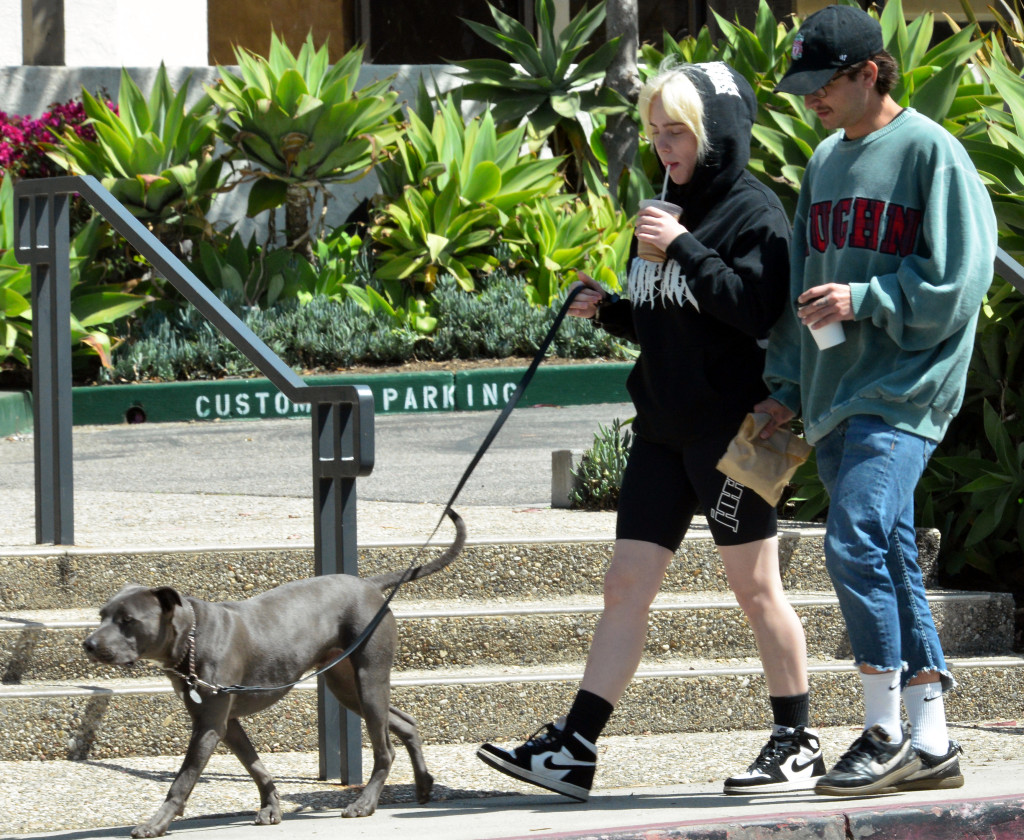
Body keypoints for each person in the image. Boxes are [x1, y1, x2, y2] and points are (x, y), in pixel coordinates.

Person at [477, 60, 825, 801]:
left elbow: (754, 310)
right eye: (656, 133)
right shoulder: (664, 205)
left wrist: (685, 248)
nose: (665, 148)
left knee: (755, 587)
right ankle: (574, 747)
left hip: (739, 434)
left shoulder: (753, 213)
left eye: (678, 133)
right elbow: (668, 318)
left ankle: (797, 741)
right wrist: (606, 308)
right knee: (625, 584)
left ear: (716, 134)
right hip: (663, 430)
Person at [758, 4, 997, 796]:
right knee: (888, 551)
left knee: (853, 539)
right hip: (833, 393)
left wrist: (867, 299)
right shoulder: (825, 158)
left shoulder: (934, 151)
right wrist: (787, 389)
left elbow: (961, 282)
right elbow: (801, 284)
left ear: (869, 73)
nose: (809, 100)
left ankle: (882, 729)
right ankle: (930, 740)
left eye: (822, 85)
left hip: (904, 390)